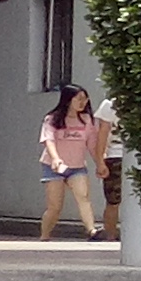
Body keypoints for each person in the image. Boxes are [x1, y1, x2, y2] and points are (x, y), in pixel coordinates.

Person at [38, 85, 110, 238]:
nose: (83, 102)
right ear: (68, 100)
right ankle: (45, 235)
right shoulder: (52, 118)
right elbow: (49, 140)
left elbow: (92, 144)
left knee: (83, 197)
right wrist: (56, 159)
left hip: (77, 167)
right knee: (55, 207)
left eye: (85, 99)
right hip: (53, 167)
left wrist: (100, 163)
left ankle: (91, 230)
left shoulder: (87, 120)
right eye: (79, 99)